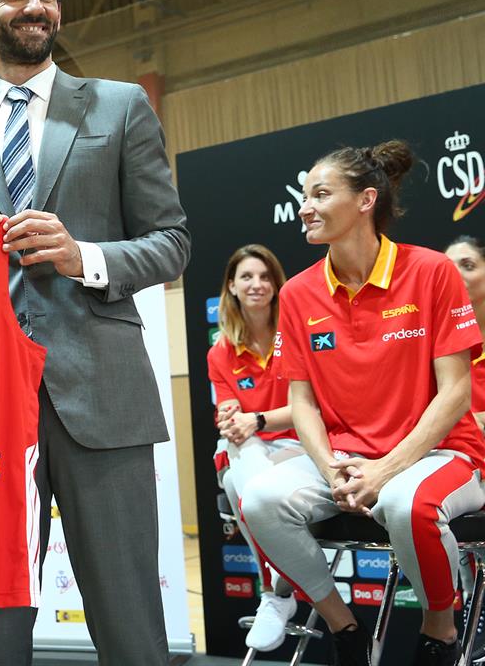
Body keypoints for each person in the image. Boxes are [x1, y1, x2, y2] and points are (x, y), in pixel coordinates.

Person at [0, 0, 191, 666]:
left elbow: (172, 242)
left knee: (131, 622)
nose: (34, 6)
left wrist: (85, 258)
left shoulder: (121, 106)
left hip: (104, 393)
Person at [241, 141, 483, 666]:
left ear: (366, 200)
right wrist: (332, 469)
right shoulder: (301, 293)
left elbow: (456, 392)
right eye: (304, 195)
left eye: (320, 193)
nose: (305, 206)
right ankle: (342, 625)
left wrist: (385, 470)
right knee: (259, 498)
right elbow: (300, 402)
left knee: (404, 503)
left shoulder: (431, 271)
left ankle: (439, 629)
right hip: (347, 458)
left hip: (439, 454)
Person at [206, 244, 301, 652]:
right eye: (247, 276)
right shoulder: (221, 351)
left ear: (277, 285)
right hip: (253, 446)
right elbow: (229, 411)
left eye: (265, 277)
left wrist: (257, 419)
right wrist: (232, 419)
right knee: (243, 465)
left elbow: (311, 409)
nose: (257, 284)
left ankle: (276, 592)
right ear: (232, 286)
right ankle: (278, 586)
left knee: (244, 476)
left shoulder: (297, 335)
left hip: (302, 444)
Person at [446, 235, 485, 429]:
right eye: (446, 267)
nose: (453, 273)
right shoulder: (429, 341)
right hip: (452, 450)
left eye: (467, 266)